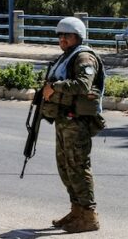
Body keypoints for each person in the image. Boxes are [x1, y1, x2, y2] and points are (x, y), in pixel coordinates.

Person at [41, 16, 106, 233]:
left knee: (78, 167)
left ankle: (89, 216)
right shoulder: (66, 57)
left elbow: (82, 84)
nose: (62, 39)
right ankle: (76, 210)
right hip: (64, 121)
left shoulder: (84, 57)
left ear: (78, 37)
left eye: (67, 35)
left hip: (76, 122)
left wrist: (55, 88)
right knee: (65, 168)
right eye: (60, 36)